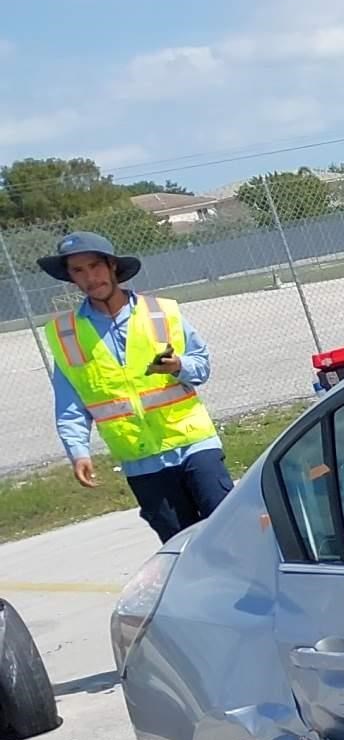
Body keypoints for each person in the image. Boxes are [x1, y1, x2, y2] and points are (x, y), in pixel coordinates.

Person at [40, 230, 234, 542]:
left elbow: (202, 365)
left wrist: (178, 366)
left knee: (229, 532)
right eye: (79, 270)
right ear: (71, 278)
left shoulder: (161, 312)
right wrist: (78, 452)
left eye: (95, 266)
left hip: (194, 445)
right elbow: (70, 405)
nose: (90, 277)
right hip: (141, 463)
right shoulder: (66, 335)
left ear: (112, 265)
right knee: (180, 548)